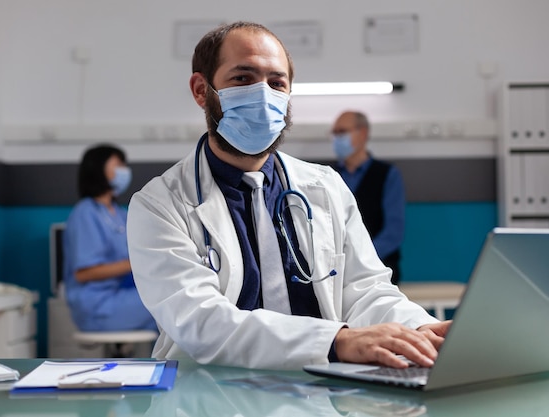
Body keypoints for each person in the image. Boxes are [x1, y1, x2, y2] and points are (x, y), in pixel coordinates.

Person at [127, 21, 450, 370]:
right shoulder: (159, 205)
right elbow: (202, 322)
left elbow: (366, 290)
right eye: (243, 78)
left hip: (320, 390)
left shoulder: (326, 187)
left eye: (276, 82)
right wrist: (335, 341)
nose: (263, 94)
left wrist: (420, 330)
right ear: (201, 90)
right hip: (211, 391)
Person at [63, 144, 157, 332]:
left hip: (122, 295)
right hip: (98, 304)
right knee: (167, 304)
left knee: (168, 305)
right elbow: (84, 273)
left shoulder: (119, 213)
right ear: (98, 168)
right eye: (118, 164)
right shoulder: (86, 212)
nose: (124, 170)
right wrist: (137, 263)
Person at [331, 111, 405, 284]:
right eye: (334, 133)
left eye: (342, 132)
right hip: (335, 272)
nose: (336, 138)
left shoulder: (387, 175)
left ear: (362, 133)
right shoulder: (328, 175)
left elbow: (393, 232)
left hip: (379, 269)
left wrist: (361, 259)